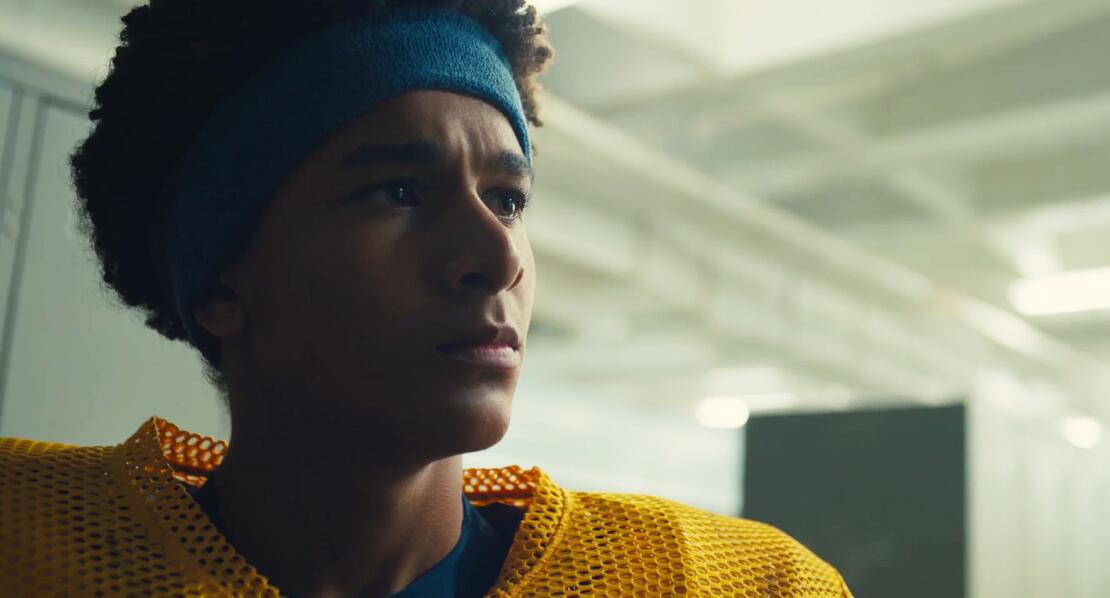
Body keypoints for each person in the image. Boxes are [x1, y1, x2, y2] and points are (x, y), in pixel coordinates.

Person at [0, 0, 852, 595]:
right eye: (398, 193)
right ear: (224, 281)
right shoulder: (32, 547)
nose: (496, 256)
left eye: (509, 199)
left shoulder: (725, 586)